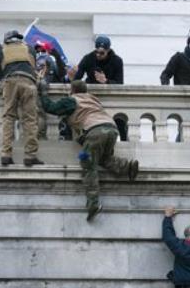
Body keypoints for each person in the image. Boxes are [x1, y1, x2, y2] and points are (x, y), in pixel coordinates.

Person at [40, 79, 139, 221]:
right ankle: (128, 167)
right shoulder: (93, 100)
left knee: (88, 164)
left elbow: (51, 108)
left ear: (72, 90)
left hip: (95, 132)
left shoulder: (72, 100)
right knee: (102, 158)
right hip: (111, 130)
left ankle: (93, 203)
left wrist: (43, 93)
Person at [0, 30, 41, 167]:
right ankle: (30, 156)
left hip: (10, 81)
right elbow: (33, 67)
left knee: (8, 117)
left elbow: (0, 73)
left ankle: (6, 154)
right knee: (30, 119)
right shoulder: (29, 49)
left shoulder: (1, 50)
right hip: (28, 81)